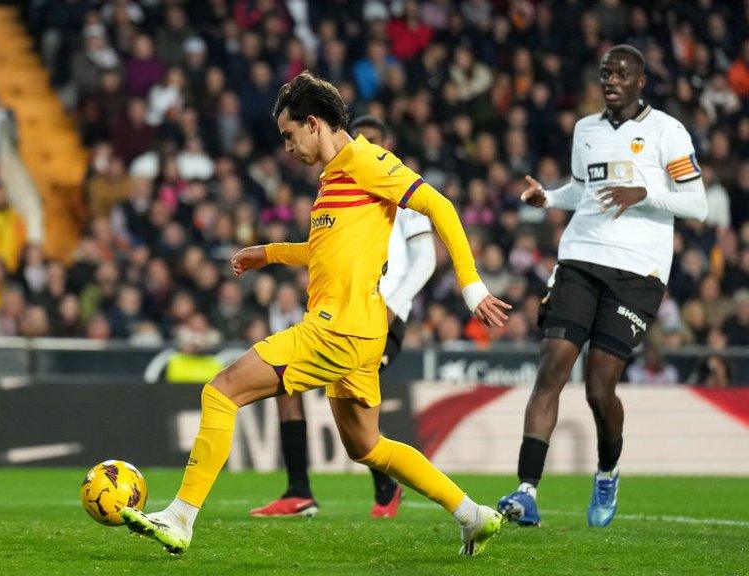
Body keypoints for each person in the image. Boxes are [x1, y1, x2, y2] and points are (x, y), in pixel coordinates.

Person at [120, 72, 511, 556]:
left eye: (289, 135)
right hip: (361, 330)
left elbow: (441, 206)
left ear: (313, 124)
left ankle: (180, 517)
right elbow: (323, 250)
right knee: (366, 446)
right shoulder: (334, 177)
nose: (287, 148)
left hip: (337, 328)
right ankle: (473, 515)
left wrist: (472, 289)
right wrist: (269, 252)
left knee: (220, 393)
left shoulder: (364, 159)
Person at [496, 45, 708, 528]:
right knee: (551, 368)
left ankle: (608, 470)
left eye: (622, 73)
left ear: (641, 82)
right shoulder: (585, 130)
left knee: (598, 389)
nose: (610, 79)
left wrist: (645, 193)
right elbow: (582, 190)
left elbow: (697, 204)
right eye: (605, 73)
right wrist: (548, 197)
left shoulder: (667, 132)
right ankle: (527, 490)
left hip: (637, 273)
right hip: (580, 259)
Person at [250, 115, 437, 519]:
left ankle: (389, 489)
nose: (363, 150)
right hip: (337, 312)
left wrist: (394, 306)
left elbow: (425, 260)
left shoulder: (400, 192)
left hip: (379, 314)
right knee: (289, 389)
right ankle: (299, 490)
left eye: (374, 143)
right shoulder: (341, 185)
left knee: (354, 405)